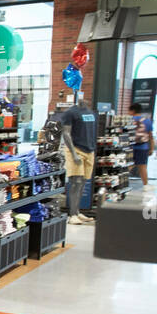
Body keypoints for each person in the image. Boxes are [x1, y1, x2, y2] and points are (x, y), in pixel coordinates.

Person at [58, 93, 98, 224]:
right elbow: (66, 133)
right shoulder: (70, 113)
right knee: (75, 182)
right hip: (75, 149)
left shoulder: (90, 112)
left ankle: (77, 212)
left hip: (89, 150)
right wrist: (74, 154)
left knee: (83, 183)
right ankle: (72, 215)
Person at [130, 100, 154, 188]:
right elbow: (151, 136)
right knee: (142, 166)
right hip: (143, 147)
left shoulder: (129, 120)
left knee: (128, 165)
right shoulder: (147, 121)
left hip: (130, 147)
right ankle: (146, 185)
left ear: (132, 111)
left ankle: (121, 182)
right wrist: (151, 148)